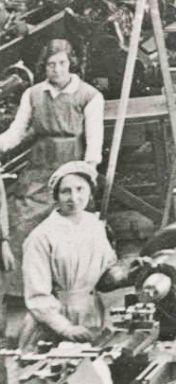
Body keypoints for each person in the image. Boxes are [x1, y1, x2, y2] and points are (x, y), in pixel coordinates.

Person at [0, 39, 104, 311]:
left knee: (65, 228)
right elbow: (16, 132)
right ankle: (22, 296)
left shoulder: (89, 95)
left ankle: (65, 292)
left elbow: (94, 143)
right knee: (19, 222)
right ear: (43, 66)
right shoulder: (33, 94)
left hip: (70, 170)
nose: (56, 69)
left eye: (62, 63)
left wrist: (87, 173)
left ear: (71, 64)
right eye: (50, 64)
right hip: (38, 171)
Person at [18, 161, 116, 349]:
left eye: (80, 189)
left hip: (93, 313)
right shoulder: (41, 236)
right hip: (54, 321)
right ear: (56, 196)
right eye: (66, 191)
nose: (74, 197)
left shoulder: (95, 226)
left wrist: (129, 272)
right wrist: (66, 328)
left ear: (90, 191)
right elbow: (37, 296)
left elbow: (105, 271)